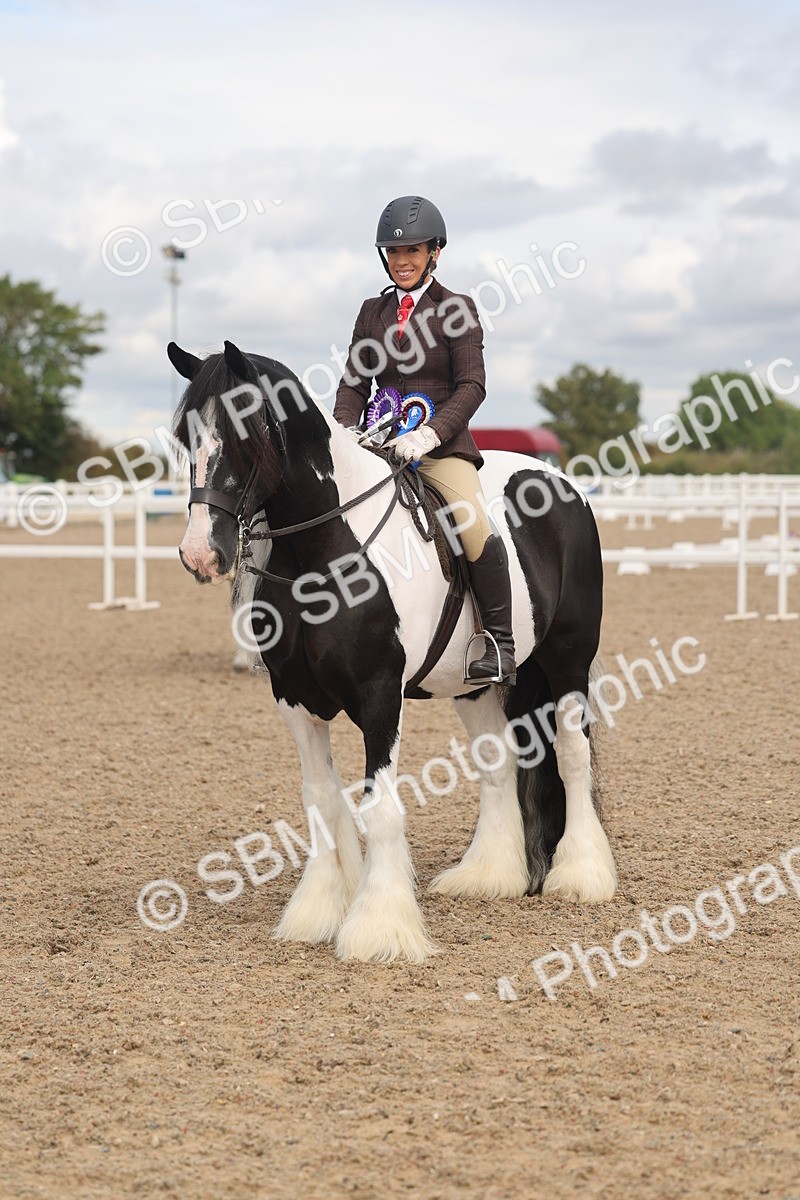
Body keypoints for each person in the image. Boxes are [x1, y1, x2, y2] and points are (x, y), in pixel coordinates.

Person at [333, 195, 516, 683]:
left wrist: (430, 433)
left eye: (413, 251)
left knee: (473, 524)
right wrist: (345, 430)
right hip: (377, 447)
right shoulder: (372, 312)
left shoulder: (457, 308)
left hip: (439, 450)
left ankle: (499, 642)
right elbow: (355, 382)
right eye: (394, 253)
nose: (403, 261)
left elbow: (472, 385)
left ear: (436, 252)